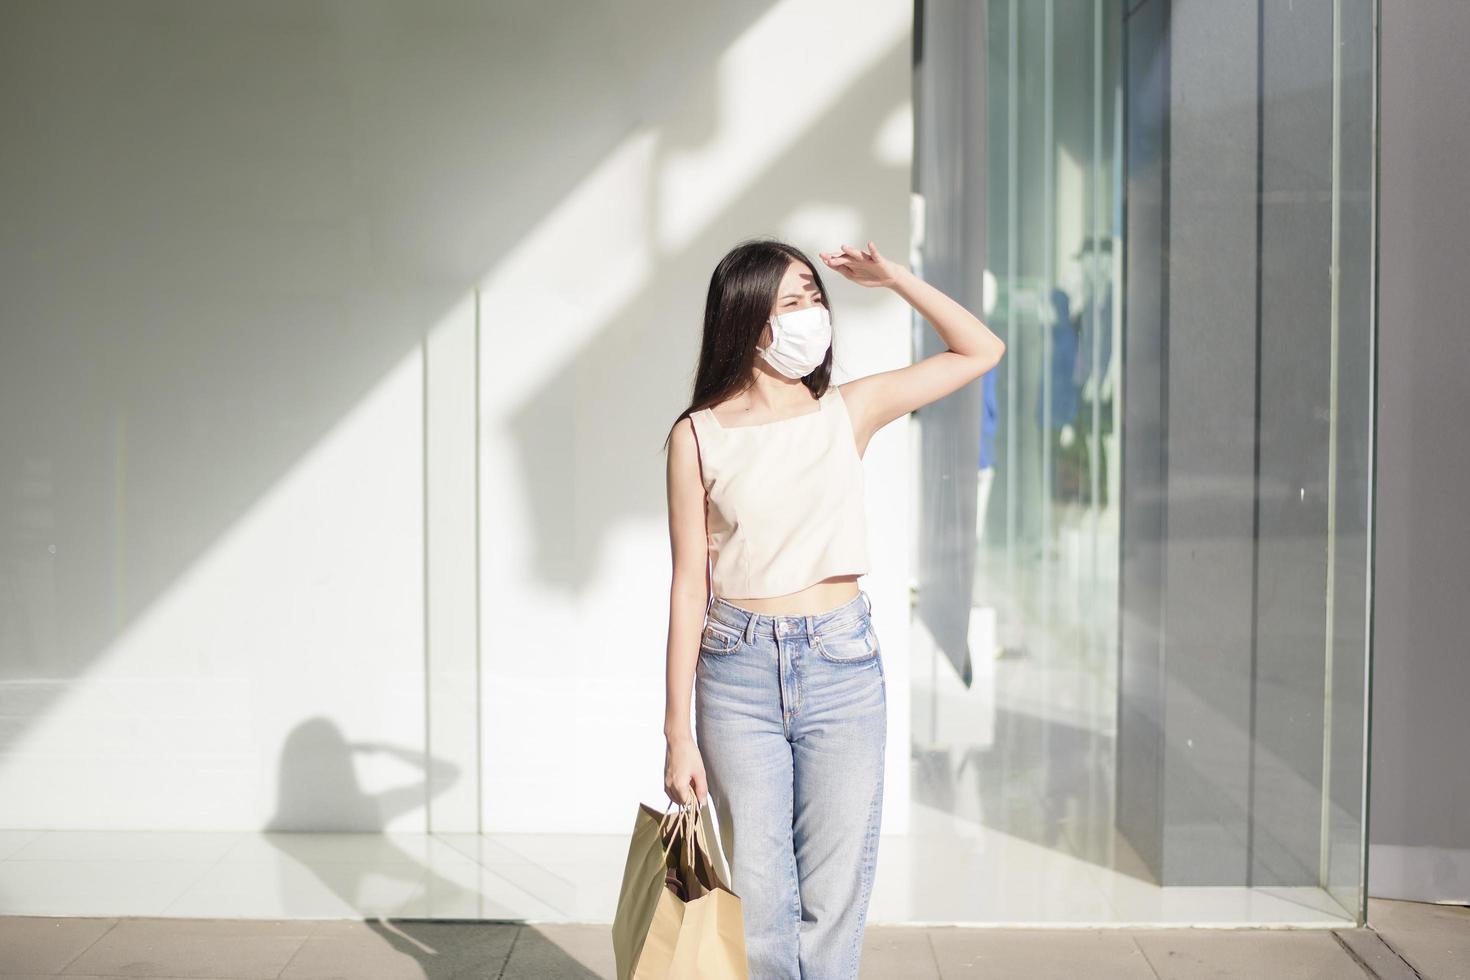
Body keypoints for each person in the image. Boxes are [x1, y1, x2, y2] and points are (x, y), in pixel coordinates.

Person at [660, 237, 1005, 979]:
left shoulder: (847, 410)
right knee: (757, 895)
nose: (812, 313)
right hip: (737, 671)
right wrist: (675, 734)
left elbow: (980, 349)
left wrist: (896, 279)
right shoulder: (697, 436)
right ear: (749, 320)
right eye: (792, 301)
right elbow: (690, 584)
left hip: (841, 662)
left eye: (816, 297)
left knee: (834, 891)